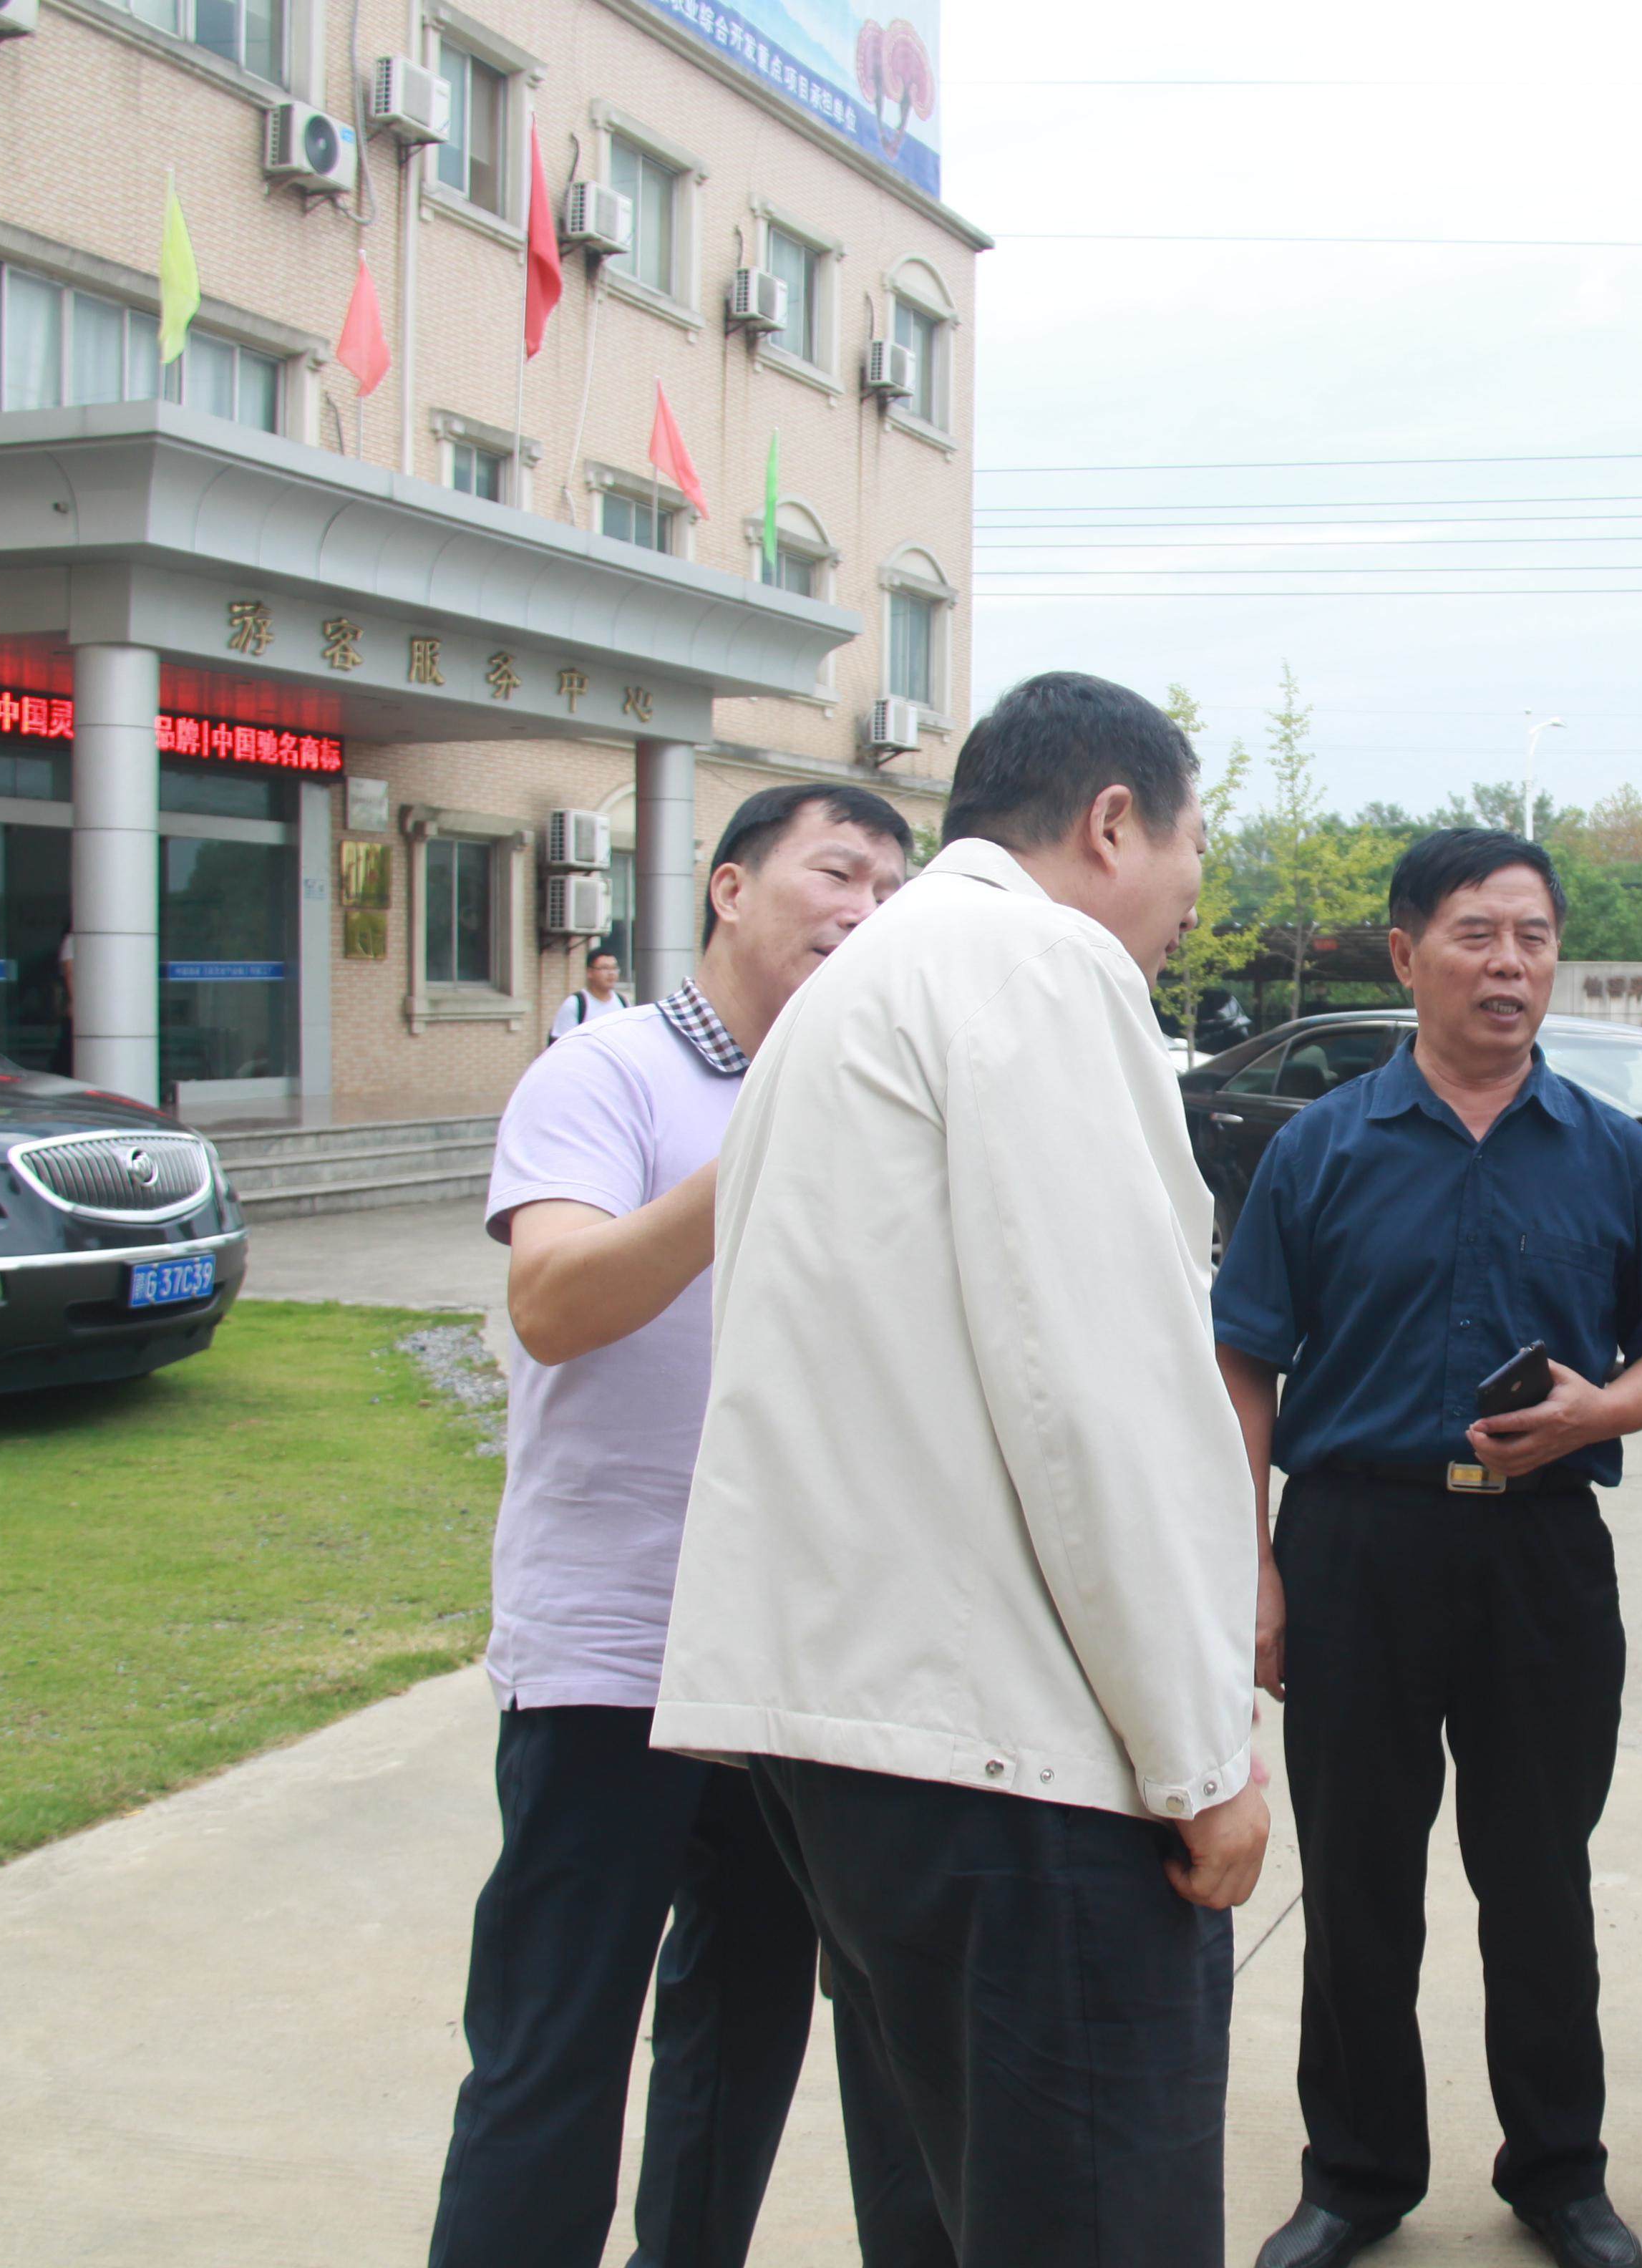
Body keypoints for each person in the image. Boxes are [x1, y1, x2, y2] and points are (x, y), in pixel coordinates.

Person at [652, 673, 1268, 2268]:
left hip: (861, 1744)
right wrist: (1204, 1758)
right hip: (1014, 1762)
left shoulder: (856, 993)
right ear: (1114, 821)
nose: (1183, 920)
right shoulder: (1036, 963)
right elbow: (1102, 1397)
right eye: (1190, 866)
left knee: (947, 2215)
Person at [1216, 828, 1642, 2268]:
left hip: (1543, 1557)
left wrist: (1597, 1414)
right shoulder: (1319, 1148)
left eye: (1534, 939)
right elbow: (1245, 1363)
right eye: (1476, 936)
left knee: (1540, 1876)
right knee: (1361, 1884)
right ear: (1405, 954)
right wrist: (1252, 1566)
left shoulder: (1612, 1155)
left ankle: (1558, 2170)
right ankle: (1356, 2178)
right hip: (1356, 1550)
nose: (1510, 966)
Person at [427, 782, 912, 2268]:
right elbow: (555, 1306)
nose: (866, 912)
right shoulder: (608, 1076)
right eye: (839, 874)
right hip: (606, 1654)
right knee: (552, 2048)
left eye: (893, 893)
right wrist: (762, 1147)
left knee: (738, 2039)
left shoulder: (884, 1104)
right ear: (727, 888)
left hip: (782, 1664)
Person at [548, 946, 628, 1043]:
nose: (611, 973)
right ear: (590, 972)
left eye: (614, 968)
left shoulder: (623, 1002)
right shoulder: (575, 1004)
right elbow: (559, 1044)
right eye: (605, 968)